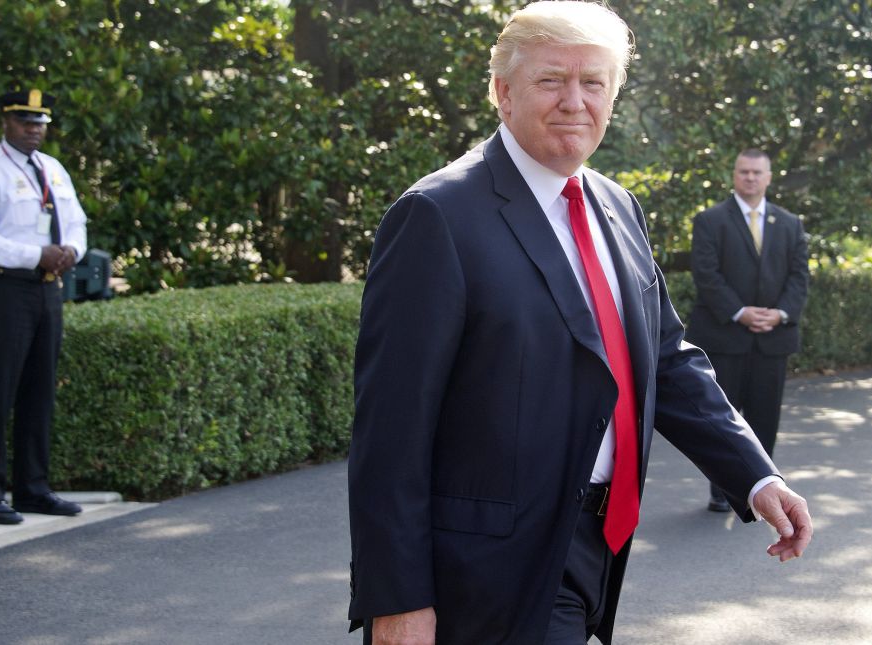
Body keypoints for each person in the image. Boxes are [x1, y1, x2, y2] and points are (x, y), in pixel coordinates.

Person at [347, 3, 813, 643]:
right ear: (503, 93)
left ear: (613, 97)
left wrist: (755, 475)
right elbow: (390, 430)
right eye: (551, 81)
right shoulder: (437, 216)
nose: (574, 101)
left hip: (597, 546)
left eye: (593, 83)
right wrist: (397, 601)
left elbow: (665, 357)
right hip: (485, 570)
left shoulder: (616, 206)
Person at [684, 149, 809, 512]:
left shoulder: (789, 224)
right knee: (724, 419)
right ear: (734, 176)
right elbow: (706, 275)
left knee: (765, 417)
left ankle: (762, 489)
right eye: (744, 172)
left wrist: (781, 313)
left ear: (769, 177)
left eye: (757, 172)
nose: (750, 178)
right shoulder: (710, 220)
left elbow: (799, 276)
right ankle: (722, 490)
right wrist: (739, 312)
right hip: (725, 338)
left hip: (772, 339)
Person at [0, 89, 87, 525]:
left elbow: (78, 221)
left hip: (49, 289)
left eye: (41, 123)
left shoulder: (53, 169)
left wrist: (72, 251)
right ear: (5, 122)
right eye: (25, 122)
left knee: (39, 391)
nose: (34, 130)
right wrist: (35, 256)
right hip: (6, 288)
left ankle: (33, 488)